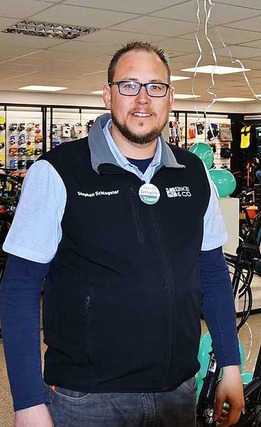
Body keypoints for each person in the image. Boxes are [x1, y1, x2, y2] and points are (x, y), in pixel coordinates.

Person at [0, 41, 244, 427]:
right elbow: (19, 289)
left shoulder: (195, 173)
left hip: (177, 390)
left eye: (155, 87)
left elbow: (211, 272)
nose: (143, 99)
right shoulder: (58, 171)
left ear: (170, 97)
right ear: (107, 94)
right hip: (88, 398)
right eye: (129, 85)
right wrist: (28, 401)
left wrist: (230, 364)